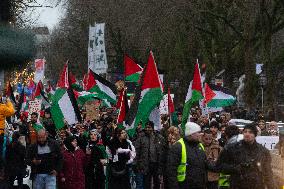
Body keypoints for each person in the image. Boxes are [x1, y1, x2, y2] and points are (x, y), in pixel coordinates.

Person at [216, 123, 275, 189]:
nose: (247, 134)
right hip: (237, 184)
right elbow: (219, 166)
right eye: (245, 132)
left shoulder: (263, 151)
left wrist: (271, 186)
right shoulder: (232, 148)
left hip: (257, 185)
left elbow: (268, 172)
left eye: (250, 132)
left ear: (255, 135)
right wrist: (235, 168)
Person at [167, 122, 211, 189]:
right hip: (184, 185)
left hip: (199, 185)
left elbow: (205, 163)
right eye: (198, 132)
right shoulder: (178, 147)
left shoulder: (200, 145)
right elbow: (171, 171)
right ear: (191, 134)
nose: (200, 135)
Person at [134, 121, 166, 189]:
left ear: (153, 128)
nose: (147, 129)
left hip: (156, 164)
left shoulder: (159, 137)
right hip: (146, 164)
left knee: (157, 182)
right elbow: (137, 151)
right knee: (146, 183)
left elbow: (162, 151)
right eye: (146, 127)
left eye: (149, 127)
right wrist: (137, 163)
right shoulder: (141, 137)